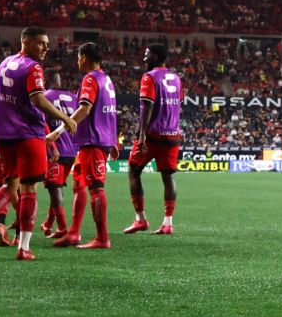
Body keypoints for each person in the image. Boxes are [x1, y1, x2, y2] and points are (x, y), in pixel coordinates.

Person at [0, 27, 78, 260]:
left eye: (47, 44)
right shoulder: (33, 67)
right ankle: (24, 247)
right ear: (26, 42)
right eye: (41, 43)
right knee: (29, 189)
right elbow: (37, 99)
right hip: (28, 135)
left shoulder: (5, 63)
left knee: (9, 185)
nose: (46, 48)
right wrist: (65, 118)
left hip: (5, 136)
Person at [59, 43, 118, 250]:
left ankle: (102, 239)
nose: (77, 62)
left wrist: (60, 129)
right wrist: (113, 140)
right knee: (78, 184)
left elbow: (85, 109)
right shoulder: (107, 79)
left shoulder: (90, 78)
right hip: (94, 141)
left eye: (77, 57)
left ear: (83, 57)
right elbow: (109, 111)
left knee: (95, 188)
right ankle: (74, 233)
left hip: (93, 141)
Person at [124, 43, 184, 235]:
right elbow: (177, 103)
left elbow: (147, 106)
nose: (145, 59)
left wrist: (141, 136)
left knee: (134, 169)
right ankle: (168, 223)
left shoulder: (149, 77)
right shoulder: (176, 78)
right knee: (168, 176)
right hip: (172, 134)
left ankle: (140, 219)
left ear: (157, 56)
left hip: (152, 135)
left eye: (147, 55)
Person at [40, 72, 77, 239]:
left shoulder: (44, 97)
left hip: (54, 150)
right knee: (57, 188)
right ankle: (48, 224)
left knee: (55, 190)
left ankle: (62, 227)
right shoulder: (73, 97)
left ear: (47, 82)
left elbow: (42, 124)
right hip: (72, 151)